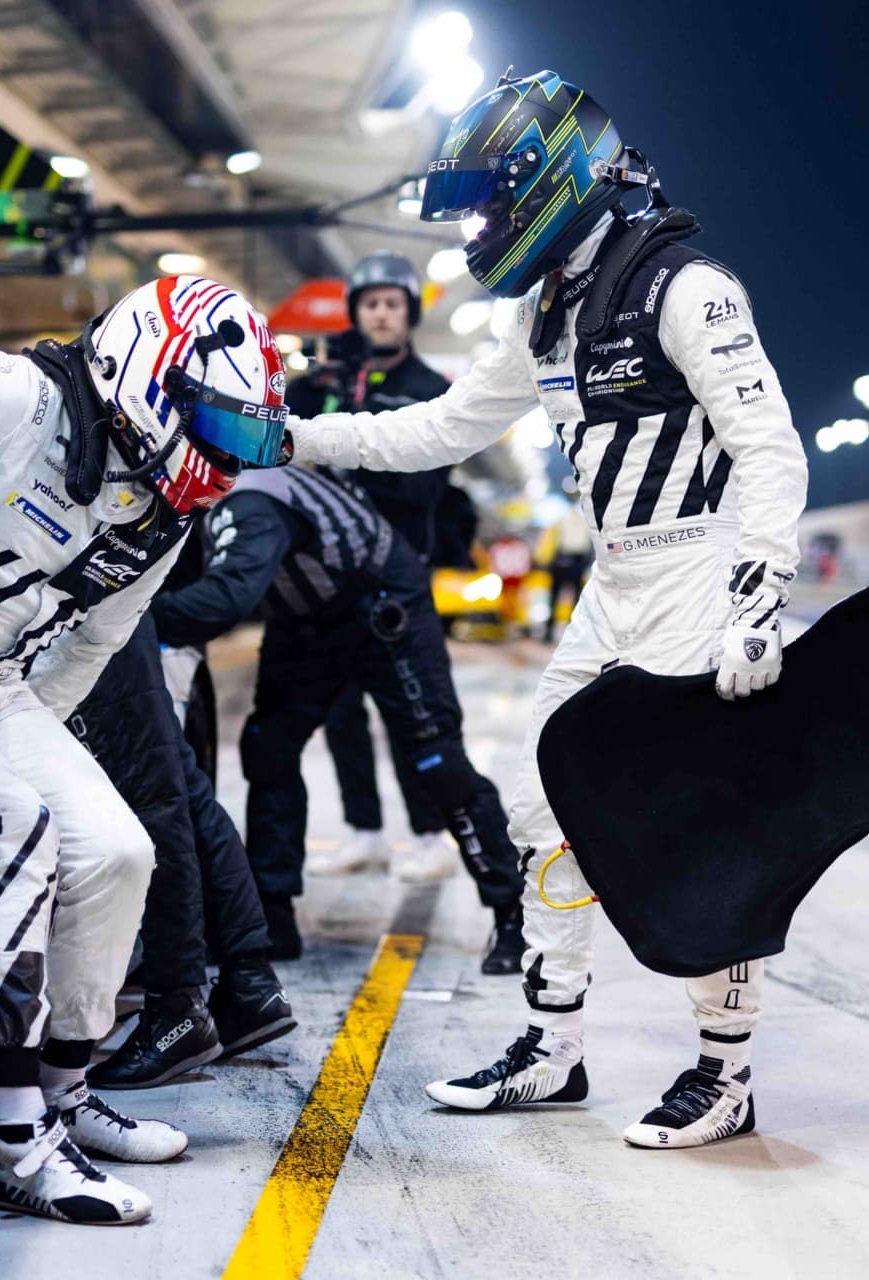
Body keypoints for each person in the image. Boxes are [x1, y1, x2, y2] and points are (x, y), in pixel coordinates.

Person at [288, 70, 808, 1149]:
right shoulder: (550, 313)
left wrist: (760, 596)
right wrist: (297, 437)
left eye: (488, 200)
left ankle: (726, 1071)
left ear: (548, 181)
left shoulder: (687, 285)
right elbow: (436, 429)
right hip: (615, 583)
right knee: (539, 804)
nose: (480, 224)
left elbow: (768, 445)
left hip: (697, 575)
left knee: (685, 826)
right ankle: (554, 1048)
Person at [0, 275, 289, 1223]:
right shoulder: (20, 397)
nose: (227, 455)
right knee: (22, 828)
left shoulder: (166, 515)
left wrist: (7, 728)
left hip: (0, 687)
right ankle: (14, 1150)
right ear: (148, 376)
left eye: (247, 435)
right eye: (220, 423)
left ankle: (61, 1093)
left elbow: (93, 644)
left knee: (121, 851)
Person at [148, 464, 527, 975]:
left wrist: (119, 621)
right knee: (268, 746)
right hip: (305, 620)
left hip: (385, 607)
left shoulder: (249, 499)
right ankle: (272, 917)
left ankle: (514, 918)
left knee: (438, 763)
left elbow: (225, 599)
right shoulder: (203, 498)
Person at [66, 613, 297, 1089]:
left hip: (91, 620)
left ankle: (176, 1008)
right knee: (183, 795)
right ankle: (248, 986)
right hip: (112, 619)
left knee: (156, 806)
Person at [288, 252, 458, 880]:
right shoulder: (333, 383)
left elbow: (422, 485)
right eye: (370, 304)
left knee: (412, 710)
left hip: (398, 573)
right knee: (342, 712)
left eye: (391, 304)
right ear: (355, 313)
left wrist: (356, 443)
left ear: (408, 314)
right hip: (331, 576)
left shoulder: (433, 391)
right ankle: (363, 829)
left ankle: (432, 831)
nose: (380, 315)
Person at [541, 503, 594, 642]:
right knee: (565, 600)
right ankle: (557, 632)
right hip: (566, 560)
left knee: (572, 601)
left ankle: (568, 632)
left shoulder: (565, 519)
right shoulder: (564, 519)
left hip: (571, 561)